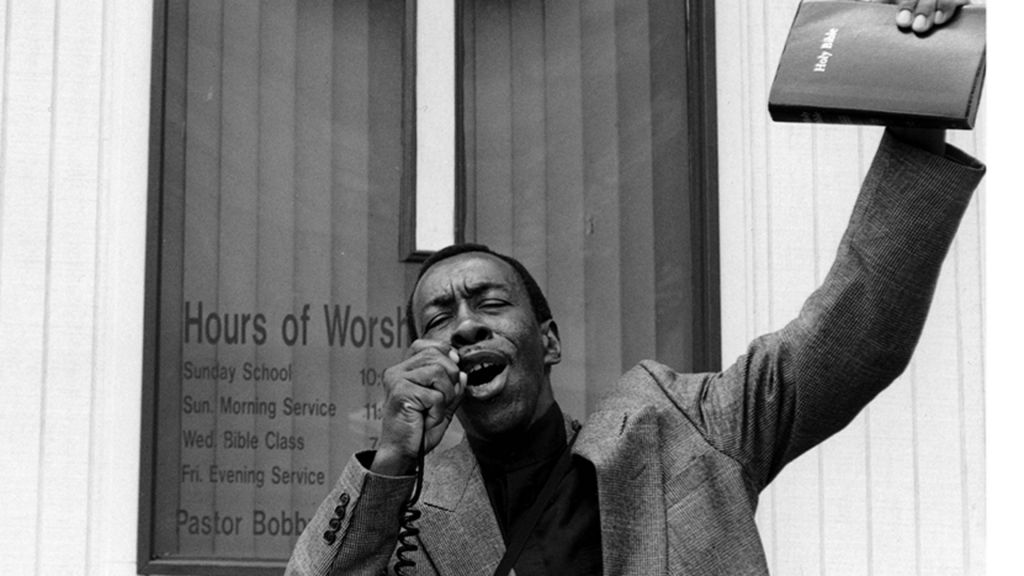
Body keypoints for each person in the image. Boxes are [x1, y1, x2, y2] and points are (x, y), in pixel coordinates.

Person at [286, 1, 985, 574]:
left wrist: (914, 90)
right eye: (439, 316)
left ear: (548, 340)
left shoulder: (681, 433)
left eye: (490, 302)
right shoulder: (407, 506)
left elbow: (852, 336)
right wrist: (395, 459)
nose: (465, 324)